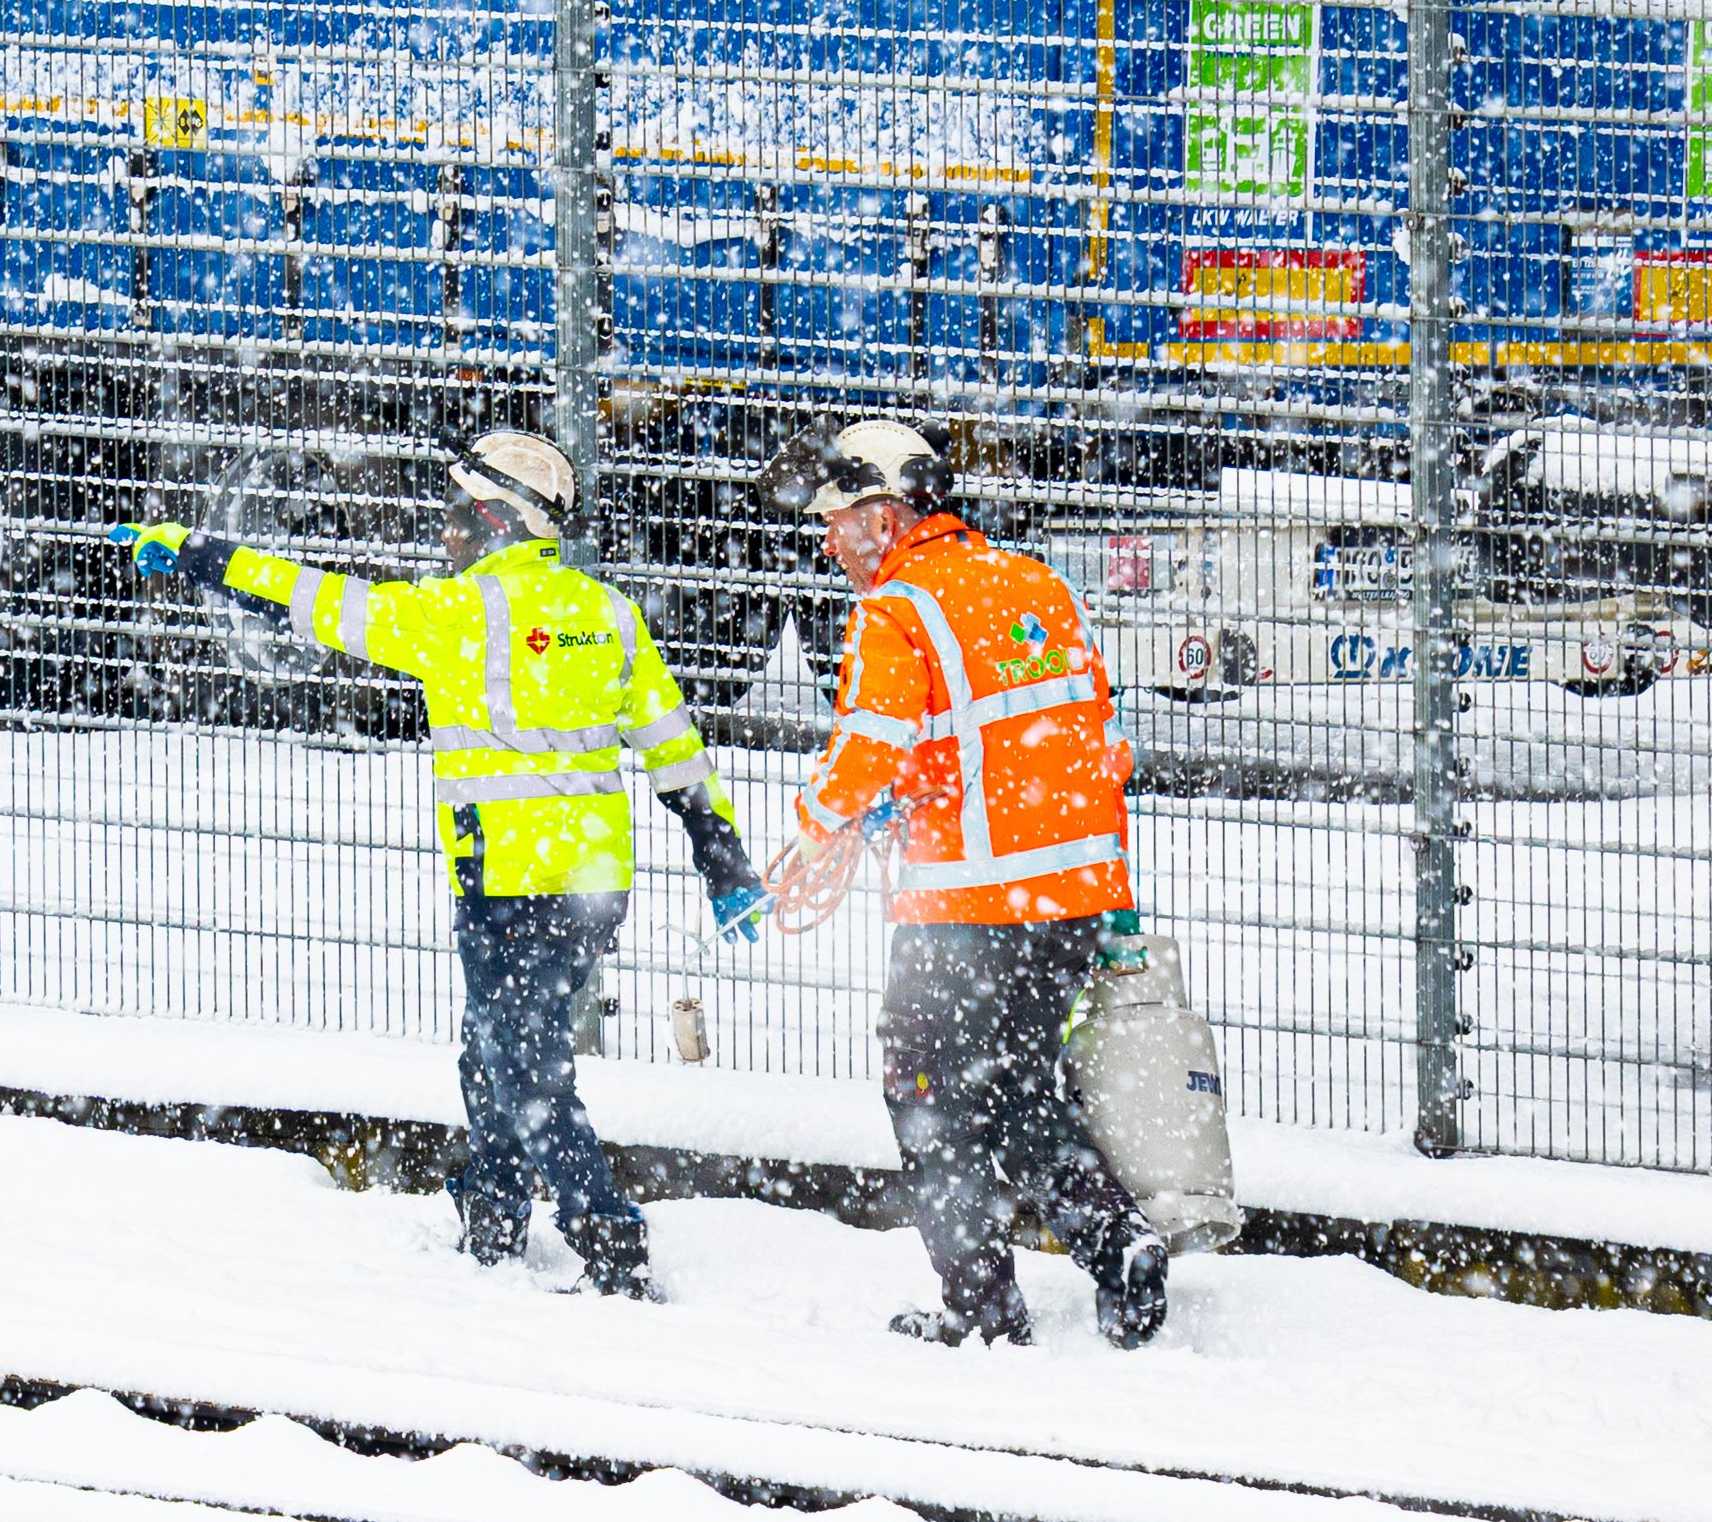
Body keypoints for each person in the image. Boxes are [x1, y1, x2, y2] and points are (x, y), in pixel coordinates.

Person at [116, 428, 758, 1294]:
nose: (447, 534)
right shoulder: (605, 613)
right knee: (496, 1045)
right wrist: (719, 854)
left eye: (459, 515)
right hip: (593, 883)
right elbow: (673, 744)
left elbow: (316, 601)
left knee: (520, 1061)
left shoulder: (458, 616)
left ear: (500, 518)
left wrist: (204, 556)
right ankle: (491, 1217)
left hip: (505, 880)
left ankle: (608, 1241)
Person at [763, 417, 1170, 1349]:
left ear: (884, 514)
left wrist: (810, 834)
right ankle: (1118, 1239)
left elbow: (871, 746)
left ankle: (979, 1308)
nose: (828, 542)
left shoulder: (897, 608)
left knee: (925, 1097)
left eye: (837, 520)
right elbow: (1076, 743)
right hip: (1065, 900)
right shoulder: (1035, 585)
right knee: (1019, 1087)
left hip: (962, 910)